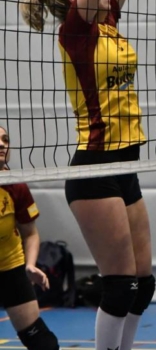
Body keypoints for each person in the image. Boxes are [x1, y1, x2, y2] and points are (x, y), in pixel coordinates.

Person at [19, 0, 155, 349]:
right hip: (94, 169)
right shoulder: (76, 32)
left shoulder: (107, 20)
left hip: (125, 165)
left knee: (142, 285)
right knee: (120, 285)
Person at [0, 126, 60, 350]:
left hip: (10, 266)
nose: (1, 144)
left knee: (44, 343)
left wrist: (30, 265)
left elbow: (30, 233)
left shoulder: (16, 185)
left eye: (5, 139)